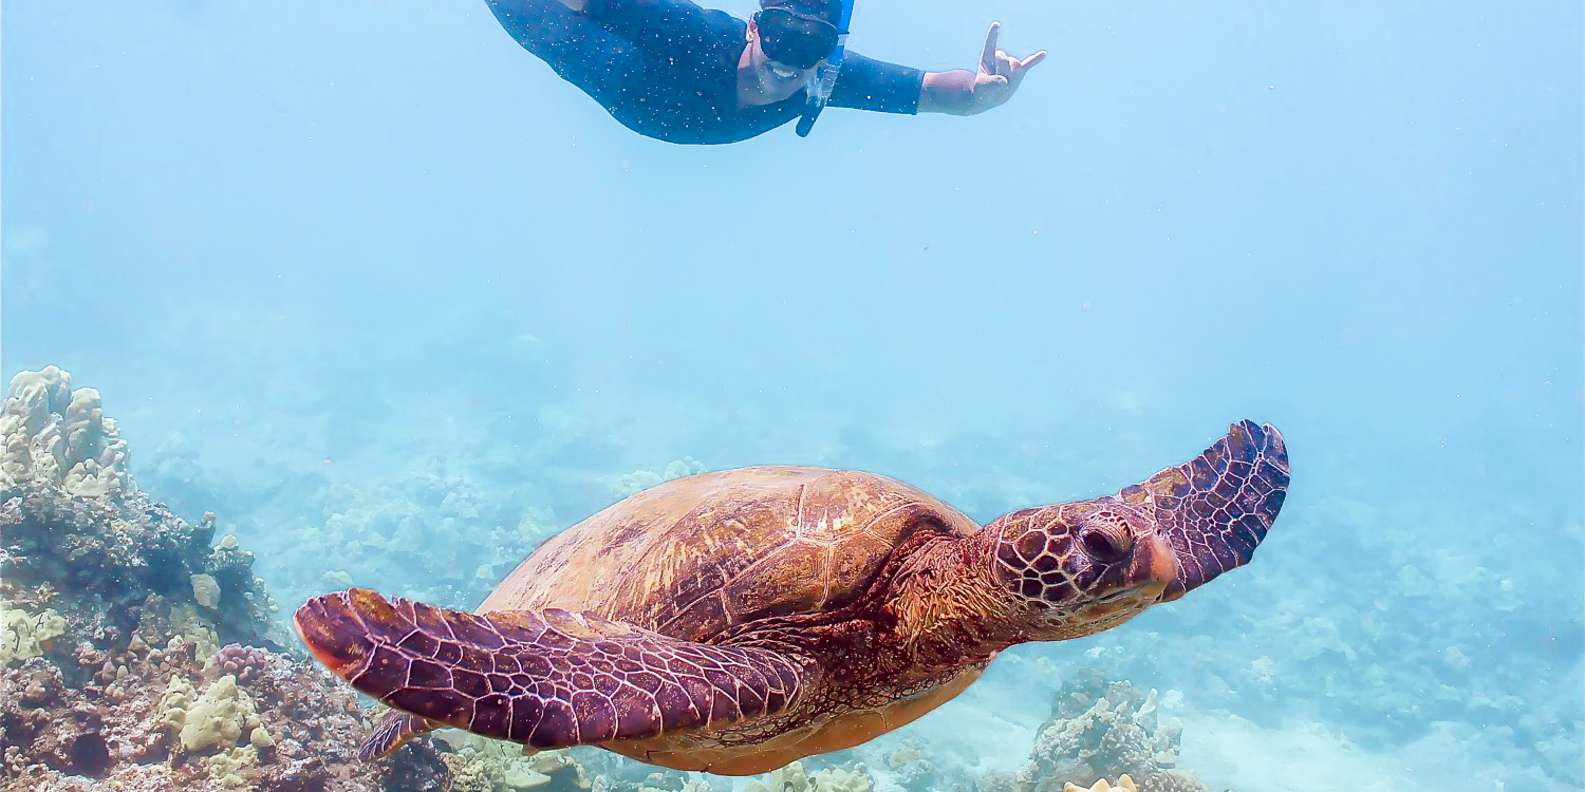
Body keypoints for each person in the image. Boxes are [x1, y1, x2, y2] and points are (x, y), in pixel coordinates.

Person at [484, 0, 1045, 144]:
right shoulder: (697, 35)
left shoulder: (826, 76)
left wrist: (988, 91)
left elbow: (934, 93)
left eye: (810, 49)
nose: (785, 67)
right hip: (621, 76)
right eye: (778, 38)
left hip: (656, 107)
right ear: (754, 27)